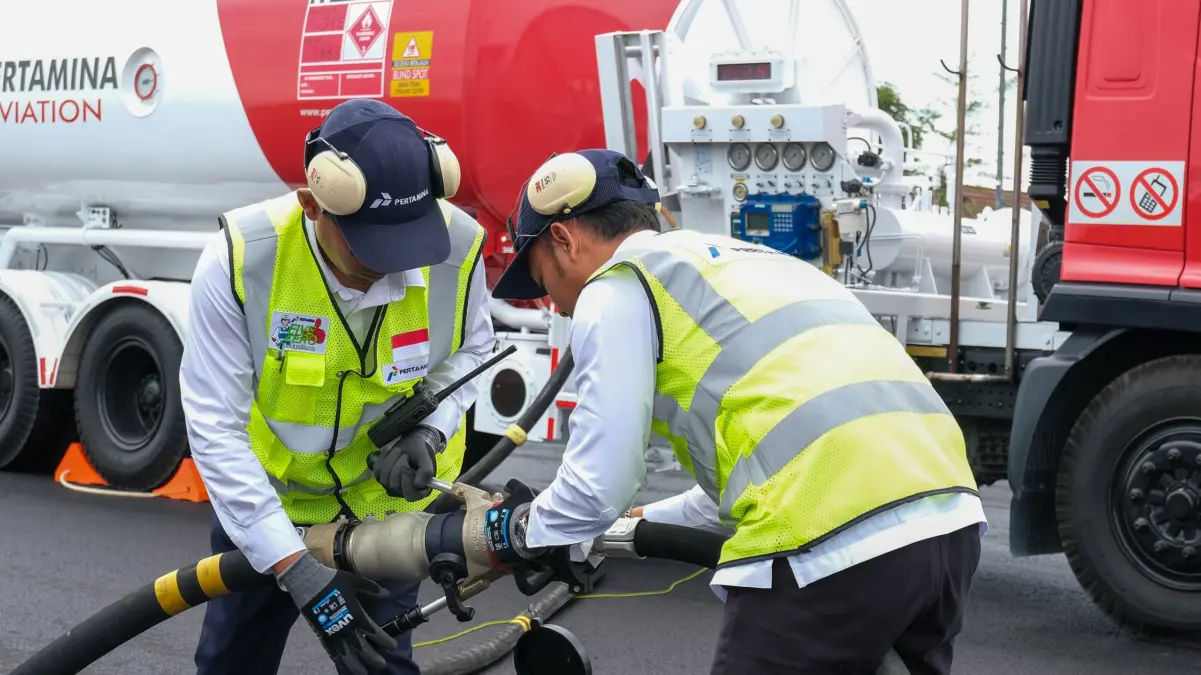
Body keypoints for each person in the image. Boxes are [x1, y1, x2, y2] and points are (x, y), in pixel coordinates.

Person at [483, 148, 988, 675]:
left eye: (545, 283)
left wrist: (516, 533)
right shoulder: (745, 261)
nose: (556, 306)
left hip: (830, 534)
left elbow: (599, 485)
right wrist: (645, 521)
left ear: (563, 239)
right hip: (947, 520)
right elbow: (777, 461)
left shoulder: (617, 288)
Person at [180, 98, 495, 675]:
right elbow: (215, 429)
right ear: (312, 205)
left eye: (408, 244)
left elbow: (473, 348)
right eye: (373, 247)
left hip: (380, 515)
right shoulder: (244, 260)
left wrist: (428, 432)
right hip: (267, 507)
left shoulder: (457, 249)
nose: (393, 268)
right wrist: (294, 568)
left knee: (380, 666)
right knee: (231, 664)